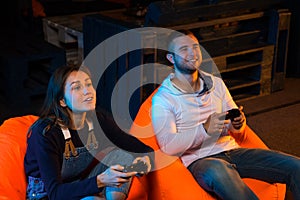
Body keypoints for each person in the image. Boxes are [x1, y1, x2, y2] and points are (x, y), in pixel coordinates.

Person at [151, 29, 300, 199]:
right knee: (220, 172)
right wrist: (204, 130)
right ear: (171, 58)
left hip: (231, 150)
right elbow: (169, 146)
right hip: (200, 160)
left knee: (296, 166)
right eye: (184, 49)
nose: (192, 52)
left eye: (195, 46)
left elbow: (234, 125)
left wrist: (237, 123)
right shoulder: (163, 99)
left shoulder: (215, 83)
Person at [24, 65, 153, 200]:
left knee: (122, 157)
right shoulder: (46, 133)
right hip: (47, 195)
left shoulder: (98, 120)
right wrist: (101, 180)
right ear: (62, 101)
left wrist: (146, 160)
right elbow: (55, 193)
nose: (87, 91)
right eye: (77, 87)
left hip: (77, 184)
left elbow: (141, 148)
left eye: (89, 84)